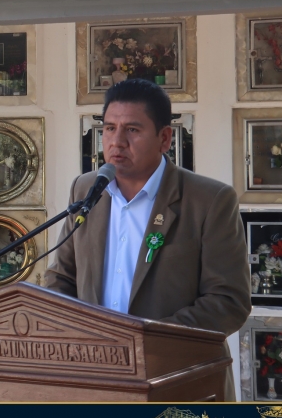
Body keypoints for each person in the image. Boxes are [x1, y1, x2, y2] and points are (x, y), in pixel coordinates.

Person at [44, 79, 251, 400]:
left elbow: (228, 303)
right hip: (94, 380)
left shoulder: (208, 200)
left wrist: (141, 344)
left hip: (179, 382)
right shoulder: (87, 190)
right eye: (109, 128)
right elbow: (62, 277)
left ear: (165, 138)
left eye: (133, 130)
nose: (117, 142)